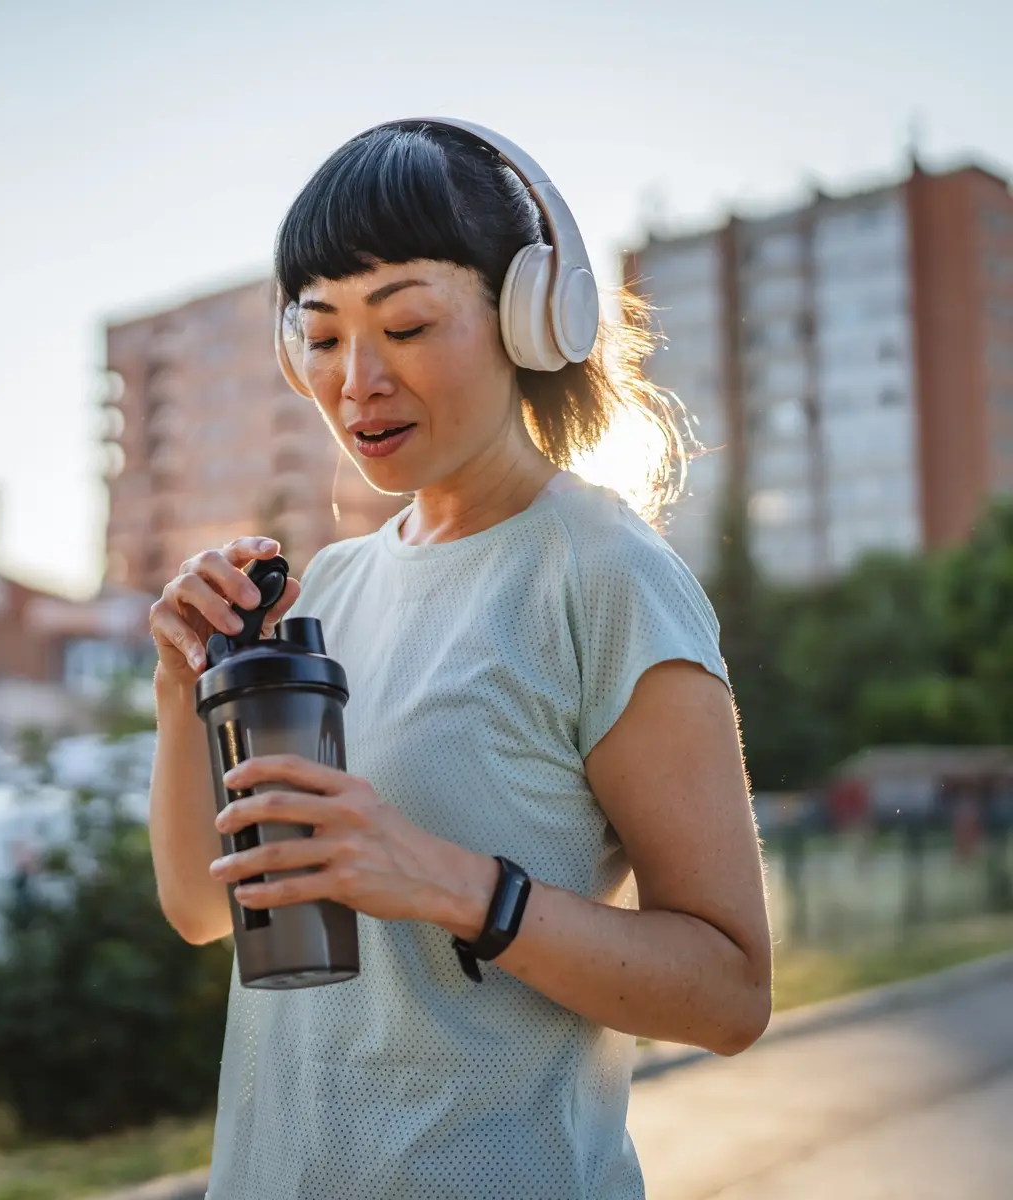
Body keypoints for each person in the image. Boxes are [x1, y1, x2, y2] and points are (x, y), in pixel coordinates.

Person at [146, 118, 771, 1200]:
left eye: (406, 325)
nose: (357, 380)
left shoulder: (604, 576)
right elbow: (207, 910)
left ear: (531, 318)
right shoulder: (324, 591)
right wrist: (178, 693)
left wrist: (447, 883)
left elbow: (727, 994)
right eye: (324, 335)